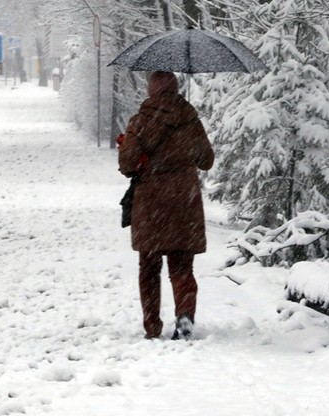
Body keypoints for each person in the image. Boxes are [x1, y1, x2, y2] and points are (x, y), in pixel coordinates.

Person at [118, 71, 214, 340]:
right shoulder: (190, 119)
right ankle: (184, 315)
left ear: (151, 90)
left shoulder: (139, 122)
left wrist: (126, 145)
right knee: (182, 267)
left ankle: (152, 325)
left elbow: (127, 165)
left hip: (151, 204)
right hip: (185, 202)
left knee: (148, 268)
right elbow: (206, 160)